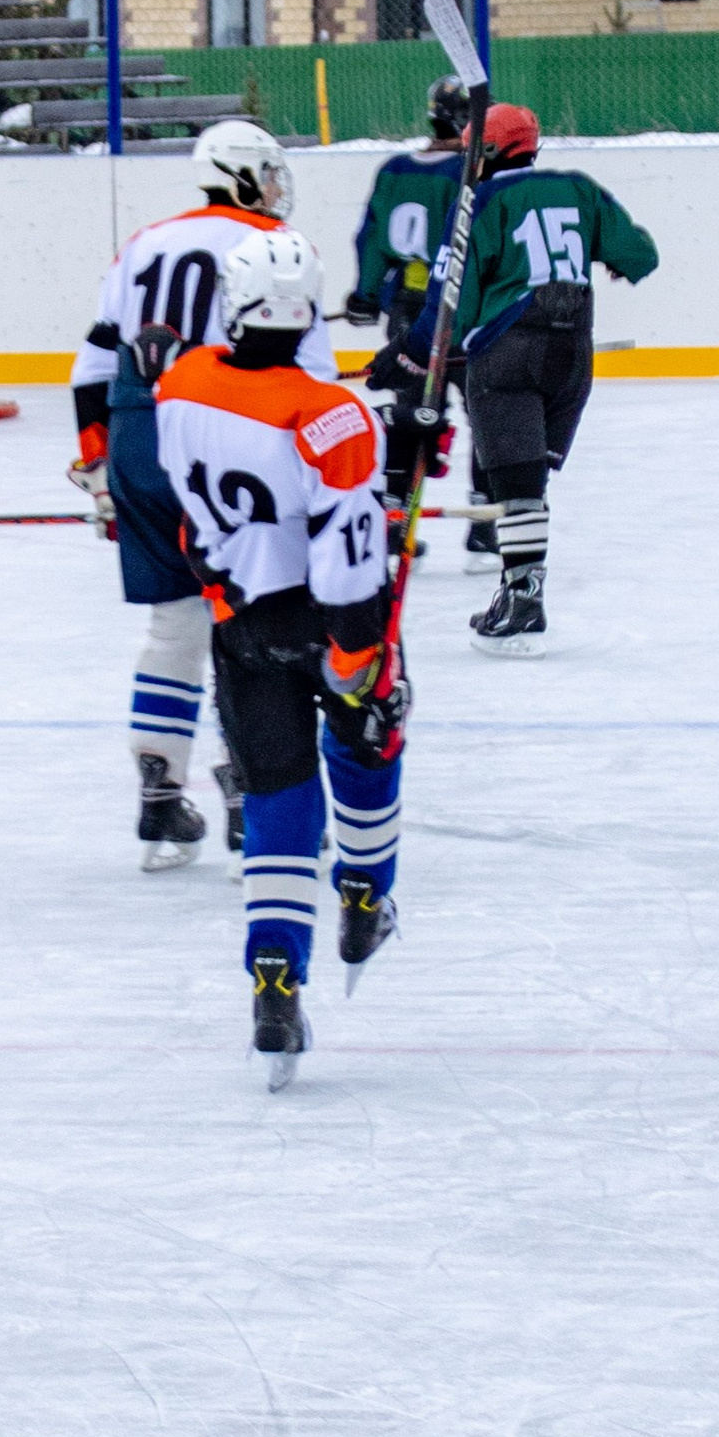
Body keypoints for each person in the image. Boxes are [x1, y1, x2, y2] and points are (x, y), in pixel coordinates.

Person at [154, 227, 405, 1080]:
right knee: (370, 747)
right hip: (324, 616)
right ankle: (366, 893)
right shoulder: (333, 413)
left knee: (279, 804)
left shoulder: (179, 383)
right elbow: (348, 540)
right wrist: (355, 653)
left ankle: (275, 982)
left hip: (242, 622)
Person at [68, 116, 333, 869]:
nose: (280, 188)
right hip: (230, 434)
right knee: (249, 622)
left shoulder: (144, 241)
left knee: (175, 619)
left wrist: (99, 468)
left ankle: (159, 786)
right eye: (272, 173)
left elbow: (92, 362)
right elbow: (307, 384)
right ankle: (253, 788)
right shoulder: (281, 252)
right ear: (245, 175)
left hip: (139, 436)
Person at [449, 106, 658, 646]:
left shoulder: (484, 201)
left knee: (517, 485)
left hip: (509, 352)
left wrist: (422, 350)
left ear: (488, 153)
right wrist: (608, 257)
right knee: (530, 483)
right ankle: (518, 589)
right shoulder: (579, 189)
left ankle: (522, 598)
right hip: (571, 355)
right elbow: (641, 256)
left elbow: (460, 300)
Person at [345, 77, 495, 569]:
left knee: (411, 417)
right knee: (486, 414)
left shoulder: (393, 170)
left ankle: (396, 527)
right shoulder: (467, 172)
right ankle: (484, 526)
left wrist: (367, 295)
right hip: (457, 312)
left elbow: (372, 237)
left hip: (408, 314)